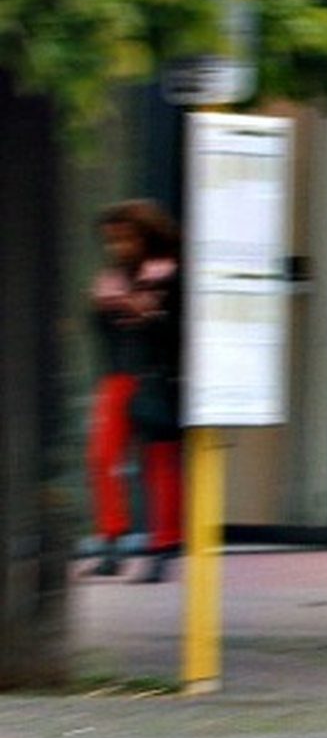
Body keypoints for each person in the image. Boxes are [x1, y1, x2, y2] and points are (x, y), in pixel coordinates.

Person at [87, 199, 184, 581]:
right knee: (102, 458)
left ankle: (163, 547)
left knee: (159, 463)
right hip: (117, 377)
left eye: (125, 238)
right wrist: (109, 307)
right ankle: (112, 540)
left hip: (155, 376)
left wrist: (146, 312)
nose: (117, 247)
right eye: (111, 239)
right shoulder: (113, 277)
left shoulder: (168, 274)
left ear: (146, 236)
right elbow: (102, 330)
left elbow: (173, 329)